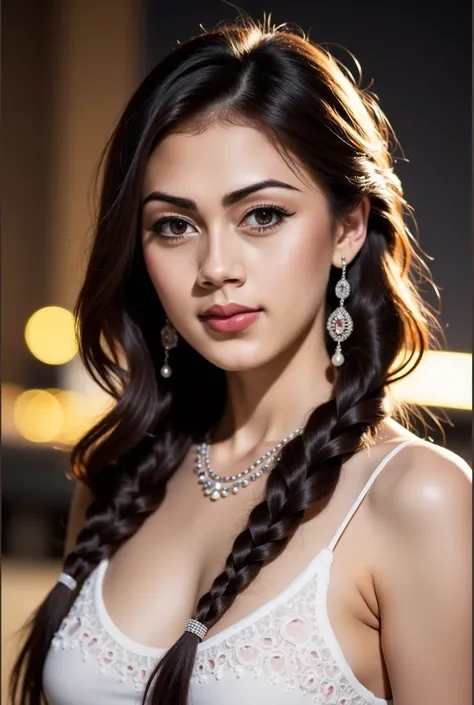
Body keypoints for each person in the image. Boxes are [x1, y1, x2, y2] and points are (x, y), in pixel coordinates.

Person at [10, 16, 471, 705]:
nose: (216, 267)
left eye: (261, 215)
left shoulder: (417, 500)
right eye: (174, 225)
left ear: (348, 227)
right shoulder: (120, 475)